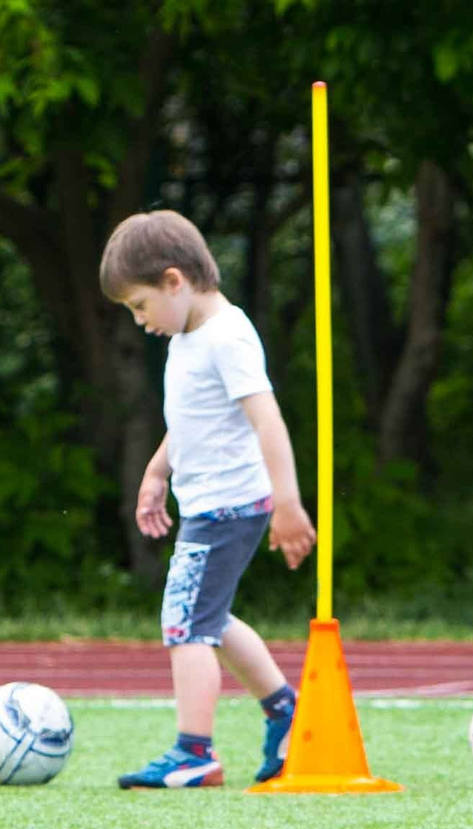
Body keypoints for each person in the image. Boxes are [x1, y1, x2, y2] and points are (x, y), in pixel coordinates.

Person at [99, 210, 314, 787]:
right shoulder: (189, 334)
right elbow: (192, 417)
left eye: (140, 306)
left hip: (230, 506)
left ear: (174, 281)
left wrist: (288, 502)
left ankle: (195, 752)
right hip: (210, 505)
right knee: (206, 617)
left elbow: (266, 419)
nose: (140, 321)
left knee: (185, 623)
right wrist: (156, 470)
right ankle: (284, 709)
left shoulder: (226, 336)